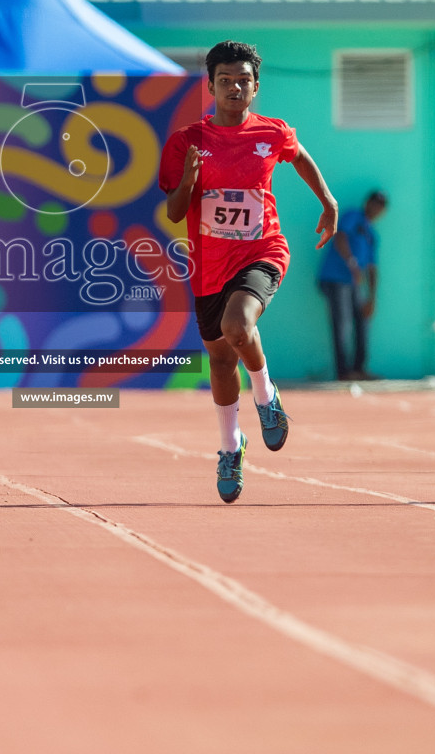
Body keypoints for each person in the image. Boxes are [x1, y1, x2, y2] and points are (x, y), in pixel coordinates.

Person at [159, 40, 339, 503]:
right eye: (225, 81)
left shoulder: (272, 132)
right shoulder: (188, 141)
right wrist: (188, 181)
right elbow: (176, 212)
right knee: (220, 359)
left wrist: (328, 201)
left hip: (263, 251)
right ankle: (229, 446)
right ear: (212, 86)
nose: (234, 88)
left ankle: (265, 395)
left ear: (255, 87)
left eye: (243, 81)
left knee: (237, 325)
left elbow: (299, 156)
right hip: (209, 266)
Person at [317, 190, 388, 381]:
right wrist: (352, 264)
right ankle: (344, 372)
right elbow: (340, 237)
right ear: (367, 203)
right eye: (374, 204)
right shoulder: (353, 217)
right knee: (342, 324)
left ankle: (359, 368)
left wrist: (372, 298)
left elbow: (372, 269)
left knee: (362, 320)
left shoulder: (372, 235)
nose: (376, 209)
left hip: (353, 284)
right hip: (335, 278)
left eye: (380, 208)